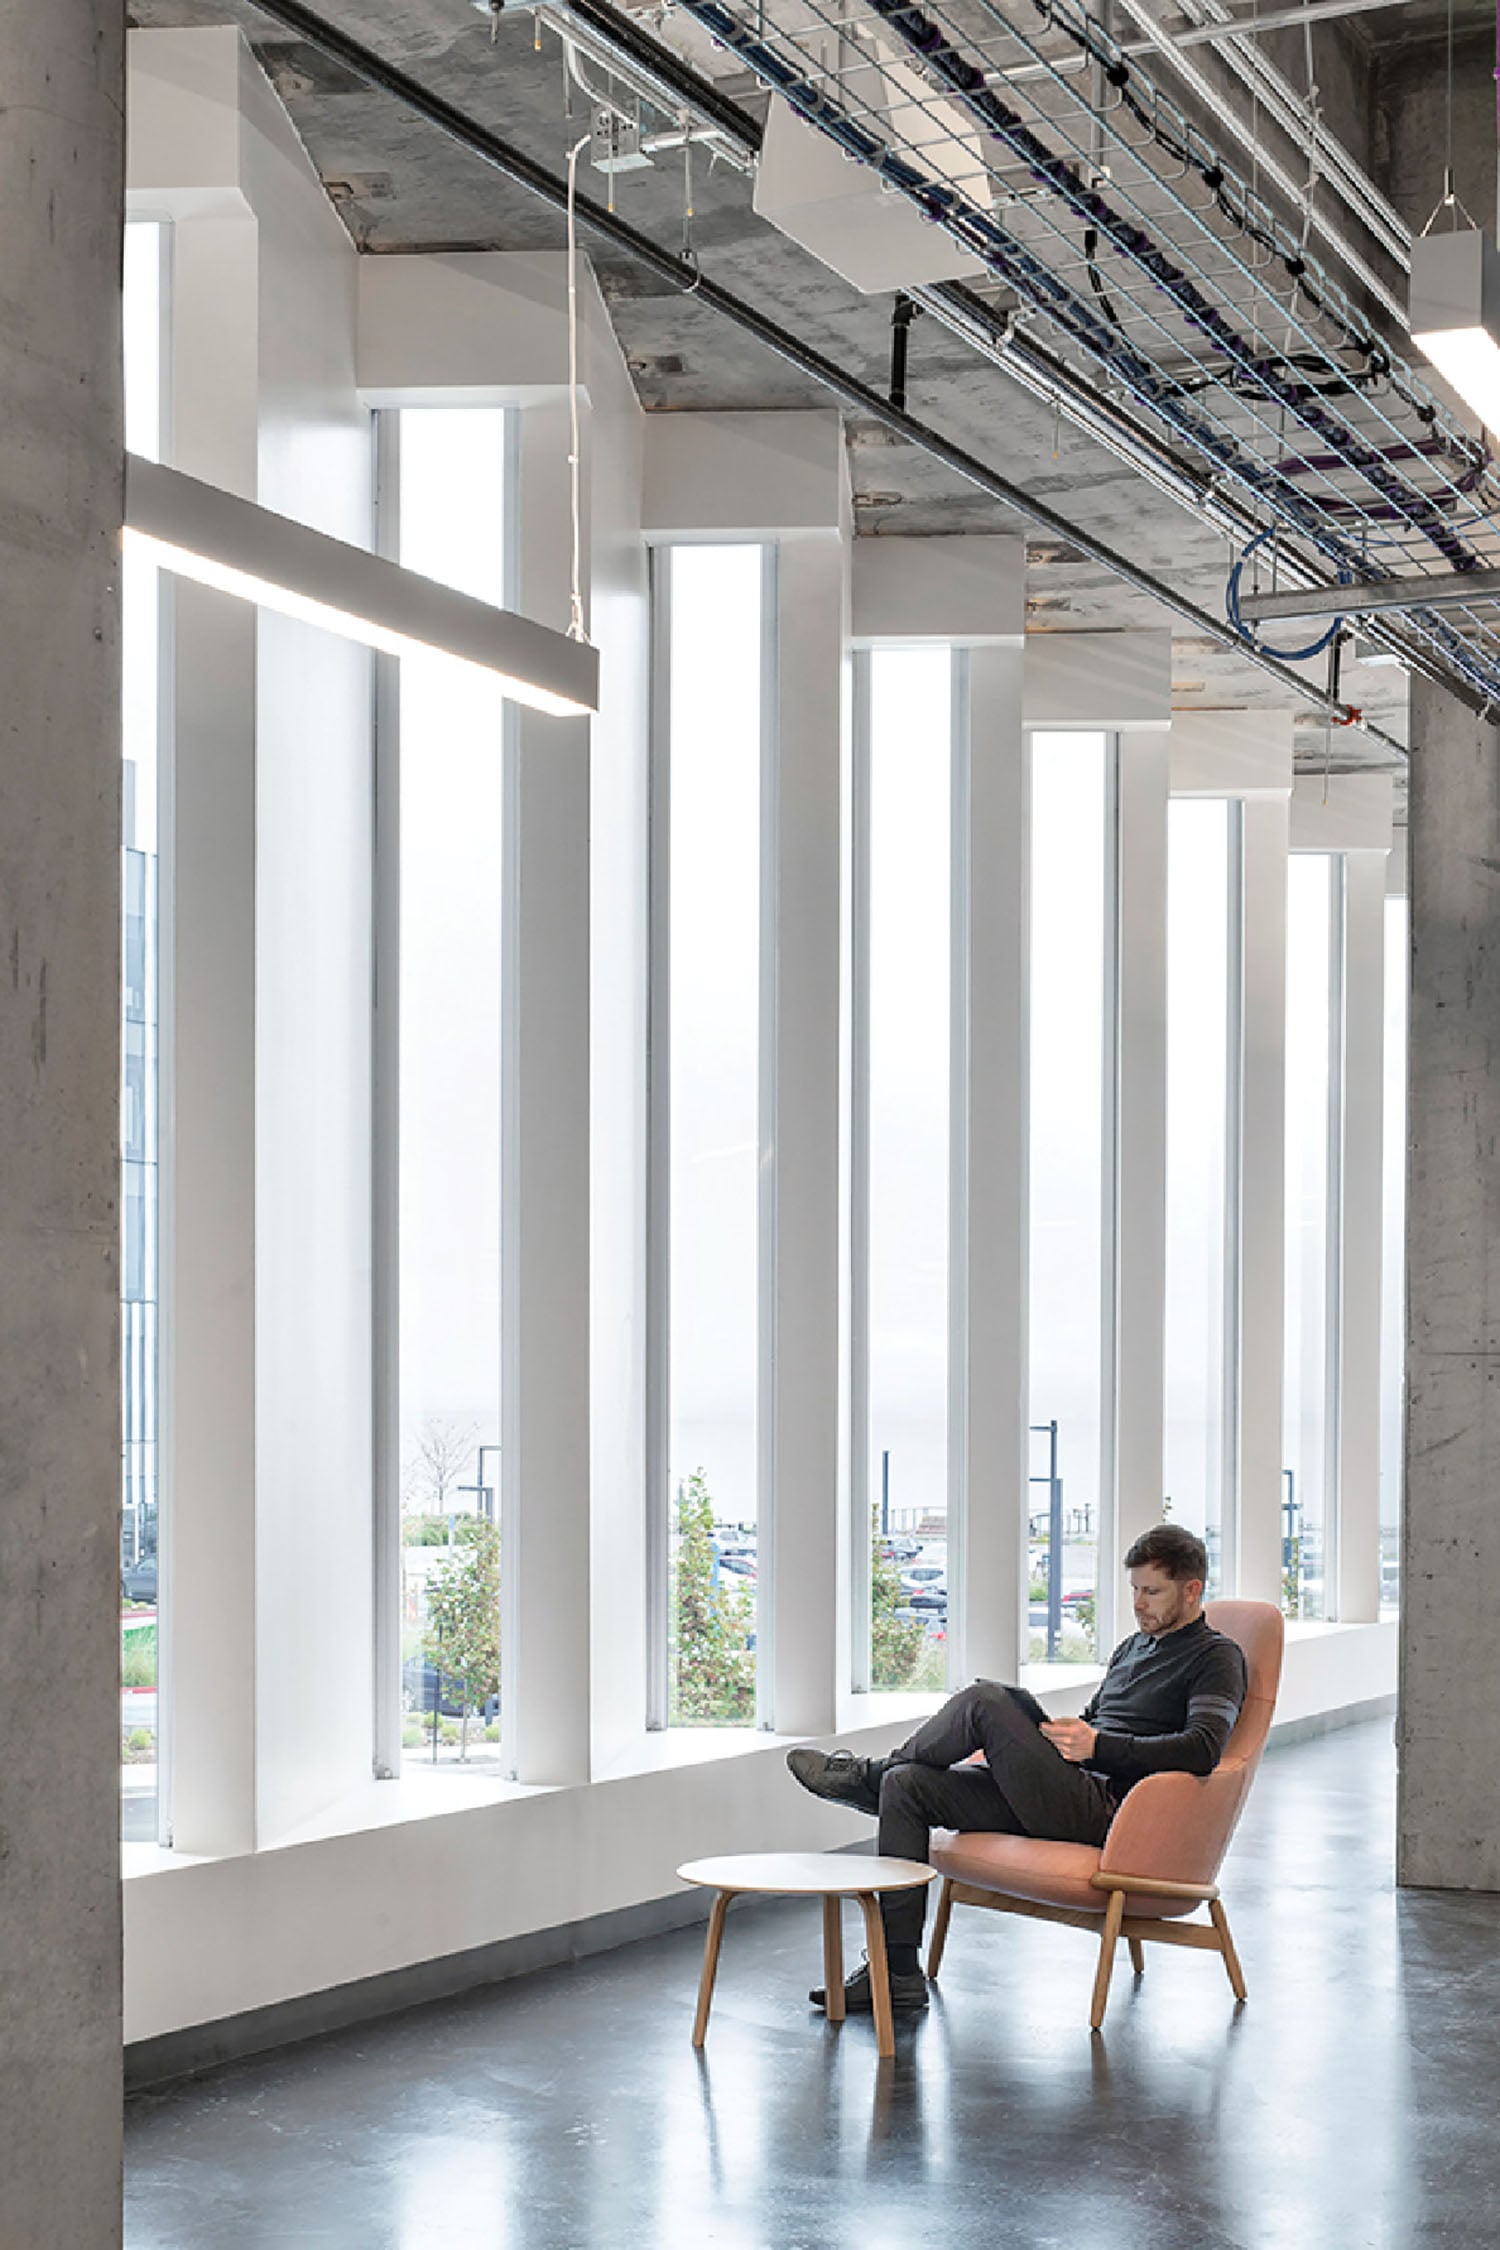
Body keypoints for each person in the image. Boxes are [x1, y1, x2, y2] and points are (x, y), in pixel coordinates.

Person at [787, 1522, 1247, 2015]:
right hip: (1067, 1786)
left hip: (1111, 1810)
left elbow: (1202, 1749)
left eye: (1152, 1592)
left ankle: (867, 1779)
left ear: (1192, 1589)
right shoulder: (1132, 1648)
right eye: (1134, 1589)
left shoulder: (1216, 1657)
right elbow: (1099, 1722)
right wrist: (1044, 1742)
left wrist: (1098, 1746)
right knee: (909, 1785)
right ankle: (897, 1972)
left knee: (987, 1700)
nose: (1138, 1603)